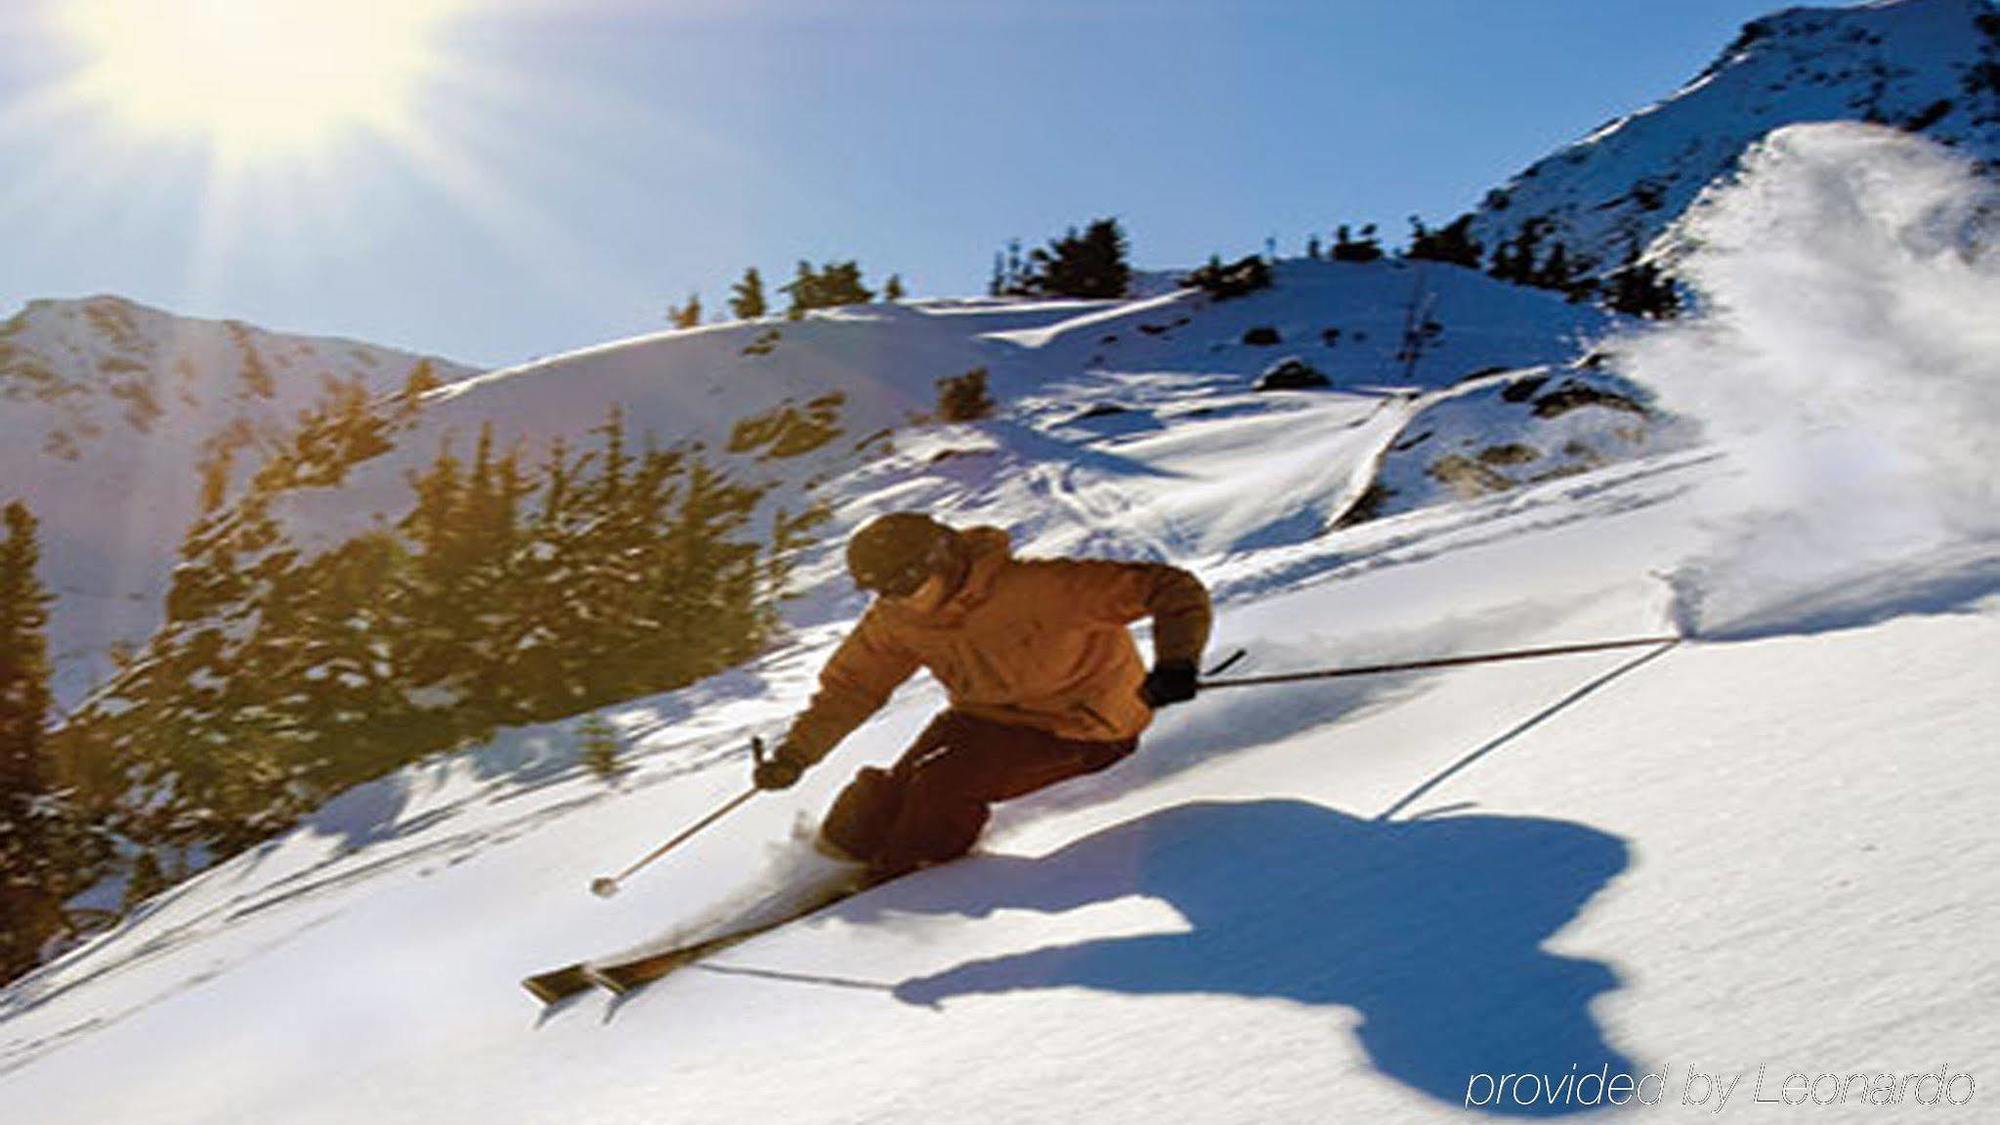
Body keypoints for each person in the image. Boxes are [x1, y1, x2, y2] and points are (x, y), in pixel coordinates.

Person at [752, 511, 1212, 881]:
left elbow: (1171, 588)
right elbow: (853, 687)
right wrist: (796, 755)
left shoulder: (1043, 588)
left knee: (943, 783)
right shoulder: (898, 618)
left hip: (1083, 727)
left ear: (941, 561)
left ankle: (908, 881)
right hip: (983, 719)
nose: (894, 599)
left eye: (903, 585)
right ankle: (820, 872)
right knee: (882, 795)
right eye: (880, 591)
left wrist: (1177, 661)